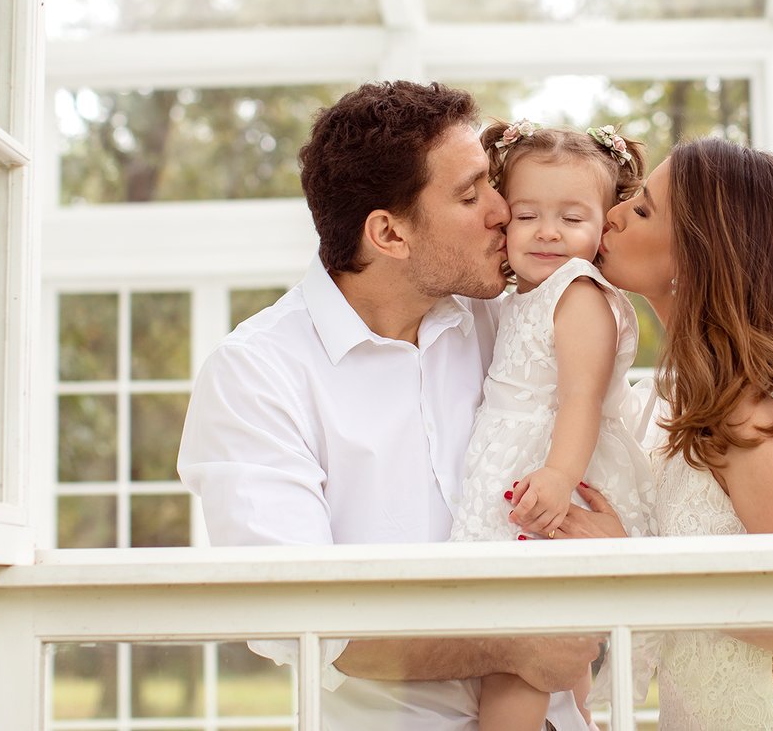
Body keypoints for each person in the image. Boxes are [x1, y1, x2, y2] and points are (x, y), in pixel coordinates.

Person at [178, 82, 598, 731]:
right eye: (470, 193)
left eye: (492, 182)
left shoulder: (512, 322)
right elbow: (299, 618)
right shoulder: (256, 373)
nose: (502, 209)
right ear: (389, 233)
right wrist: (510, 645)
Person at [527, 138, 773, 731]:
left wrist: (638, 564)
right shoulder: (683, 397)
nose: (612, 213)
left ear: (696, 255)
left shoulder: (747, 408)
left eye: (641, 211)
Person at [449, 121, 655, 731]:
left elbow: (582, 399)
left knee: (521, 644)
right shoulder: (518, 298)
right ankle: (580, 719)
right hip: (518, 466)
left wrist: (561, 474)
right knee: (540, 636)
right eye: (528, 214)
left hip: (549, 472)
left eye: (572, 218)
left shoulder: (578, 293)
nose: (547, 232)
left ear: (604, 225)